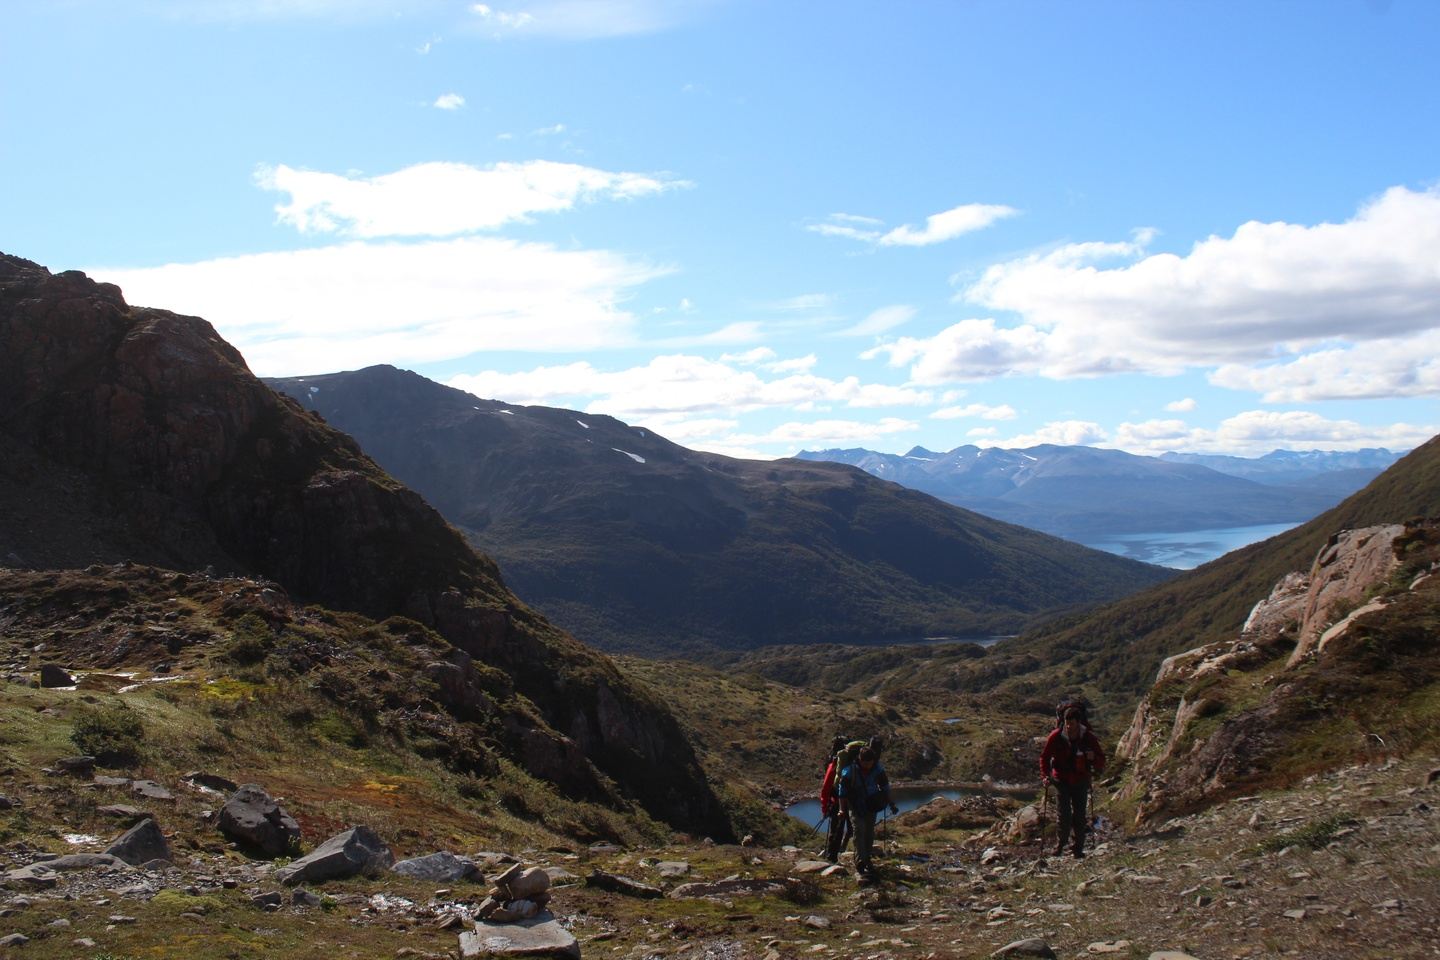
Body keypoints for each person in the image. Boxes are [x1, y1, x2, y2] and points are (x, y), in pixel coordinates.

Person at [1039, 707, 1106, 858]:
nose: (1069, 727)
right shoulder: (1056, 736)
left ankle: (1078, 848)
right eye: (1066, 723)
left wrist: (1093, 758)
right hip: (1061, 780)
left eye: (1072, 724)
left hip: (1081, 780)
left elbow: (1101, 759)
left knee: (1080, 815)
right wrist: (1045, 776)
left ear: (1078, 722)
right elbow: (1044, 757)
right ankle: (1060, 845)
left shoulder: (1087, 737)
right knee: (1064, 815)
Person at [838, 745, 898, 879]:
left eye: (870, 763)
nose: (867, 766)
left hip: (871, 804)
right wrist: (842, 809)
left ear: (873, 761)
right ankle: (860, 862)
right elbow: (842, 793)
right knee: (859, 830)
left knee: (869, 832)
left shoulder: (878, 770)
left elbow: (885, 787)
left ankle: (867, 859)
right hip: (855, 805)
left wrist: (891, 803)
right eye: (865, 763)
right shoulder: (849, 772)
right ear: (860, 759)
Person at [819, 736, 851, 863]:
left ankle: (832, 857)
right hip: (854, 800)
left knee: (836, 829)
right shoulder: (854, 762)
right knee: (855, 828)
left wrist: (825, 807)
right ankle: (861, 857)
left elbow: (826, 787)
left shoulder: (835, 763)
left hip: (837, 801)